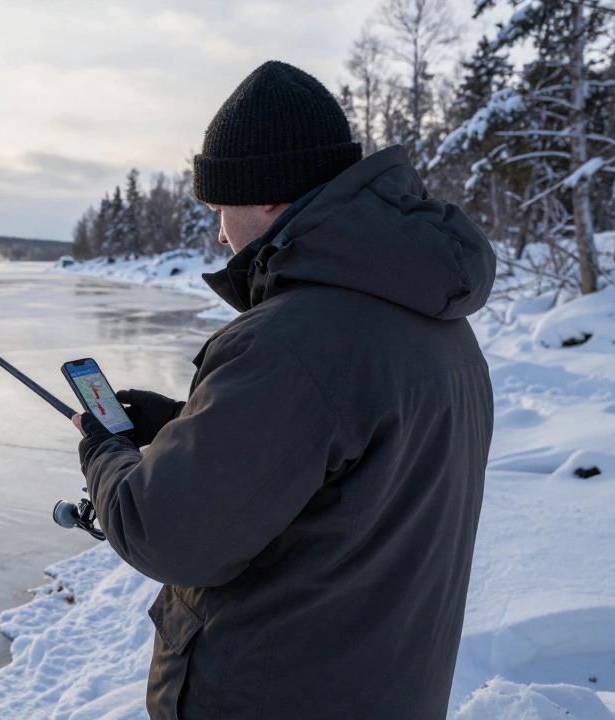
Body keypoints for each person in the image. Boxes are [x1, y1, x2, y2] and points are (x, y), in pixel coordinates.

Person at [72, 60, 496, 719]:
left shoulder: (293, 341)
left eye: (220, 206)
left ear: (269, 196)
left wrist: (105, 451)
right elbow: (341, 462)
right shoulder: (433, 315)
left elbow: (168, 533)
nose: (217, 231)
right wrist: (186, 423)